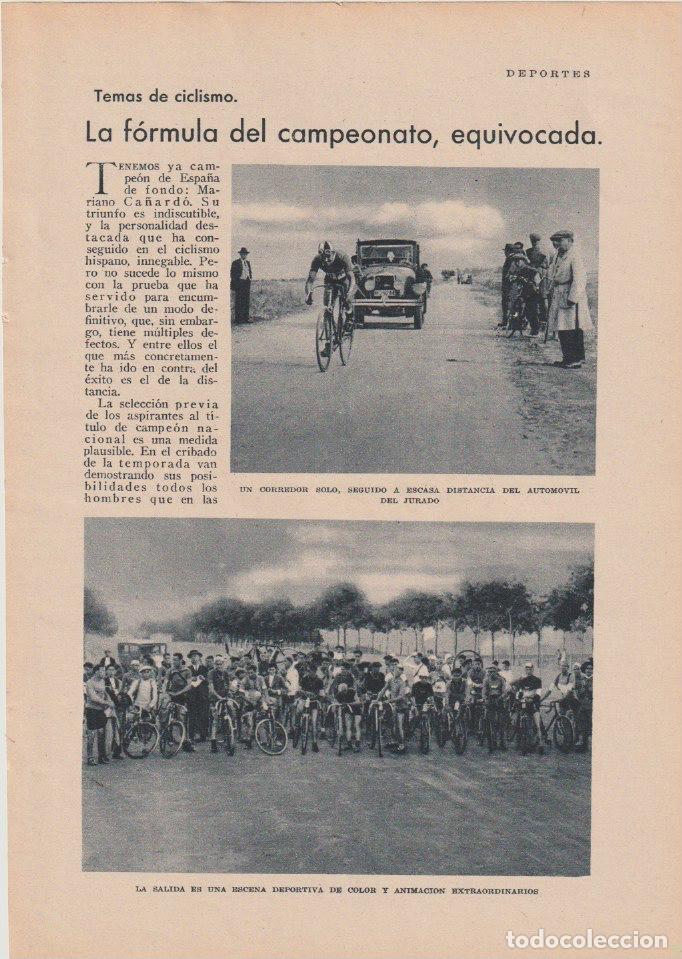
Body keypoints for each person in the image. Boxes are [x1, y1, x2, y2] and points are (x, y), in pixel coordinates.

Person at [546, 230, 593, 368]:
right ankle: (568, 358)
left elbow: (579, 279)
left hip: (570, 296)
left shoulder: (574, 256)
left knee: (572, 328)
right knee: (562, 328)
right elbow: (553, 274)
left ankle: (575, 359)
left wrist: (572, 298)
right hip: (559, 293)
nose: (556, 244)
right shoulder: (558, 256)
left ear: (569, 241)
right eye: (555, 241)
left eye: (559, 241)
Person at [304, 241, 355, 357]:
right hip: (330, 281)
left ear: (333, 252)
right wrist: (308, 294)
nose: (326, 261)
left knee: (347, 299)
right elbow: (310, 280)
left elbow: (352, 279)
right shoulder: (317, 259)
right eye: (323, 258)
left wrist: (349, 294)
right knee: (327, 309)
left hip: (344, 281)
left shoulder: (342, 257)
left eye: (328, 257)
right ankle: (329, 342)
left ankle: (350, 316)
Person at [511, 662, 548, 754]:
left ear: (533, 669)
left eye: (530, 668)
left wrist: (532, 698)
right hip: (523, 703)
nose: (528, 670)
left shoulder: (537, 680)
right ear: (525, 669)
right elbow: (518, 692)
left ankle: (540, 744)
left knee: (538, 724)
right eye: (527, 668)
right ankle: (518, 741)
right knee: (518, 721)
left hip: (533, 703)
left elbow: (538, 694)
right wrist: (518, 698)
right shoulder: (521, 680)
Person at [164, 653, 195, 752]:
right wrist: (166, 692)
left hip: (183, 697)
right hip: (172, 695)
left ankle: (186, 741)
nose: (174, 662)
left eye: (176, 660)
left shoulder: (187, 671)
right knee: (166, 715)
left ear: (181, 660)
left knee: (182, 718)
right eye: (173, 660)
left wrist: (179, 693)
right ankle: (168, 738)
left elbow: (190, 685)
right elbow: (166, 682)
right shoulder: (170, 670)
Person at [84, 663, 113, 765]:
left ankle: (102, 756)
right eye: (102, 671)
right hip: (91, 710)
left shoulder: (103, 681)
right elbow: (93, 697)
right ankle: (90, 757)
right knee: (91, 735)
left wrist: (109, 701)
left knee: (101, 734)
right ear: (96, 671)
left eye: (104, 671)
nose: (104, 673)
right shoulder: (89, 683)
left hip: (100, 711)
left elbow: (105, 694)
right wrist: (106, 703)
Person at [483, 664, 507, 750]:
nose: (491, 673)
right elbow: (484, 691)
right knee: (489, 721)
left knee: (501, 722)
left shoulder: (501, 680)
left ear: (497, 672)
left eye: (493, 671)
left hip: (499, 701)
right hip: (490, 702)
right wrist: (485, 699)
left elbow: (504, 692)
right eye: (490, 672)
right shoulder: (486, 680)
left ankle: (502, 742)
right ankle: (491, 739)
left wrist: (501, 698)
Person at [230, 246, 252, 324]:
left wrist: (249, 279)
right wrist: (236, 284)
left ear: (246, 255)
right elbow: (232, 274)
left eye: (245, 254)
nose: (244, 255)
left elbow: (250, 272)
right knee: (239, 301)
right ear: (240, 254)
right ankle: (238, 319)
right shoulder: (235, 262)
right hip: (239, 284)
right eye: (242, 254)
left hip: (246, 283)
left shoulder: (248, 263)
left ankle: (245, 318)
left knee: (246, 301)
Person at [499, 244, 516, 328]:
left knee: (507, 304)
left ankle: (508, 322)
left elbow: (510, 273)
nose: (504, 252)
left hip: (509, 286)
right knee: (506, 303)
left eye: (505, 251)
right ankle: (506, 322)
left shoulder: (511, 259)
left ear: (508, 251)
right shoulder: (510, 259)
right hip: (508, 285)